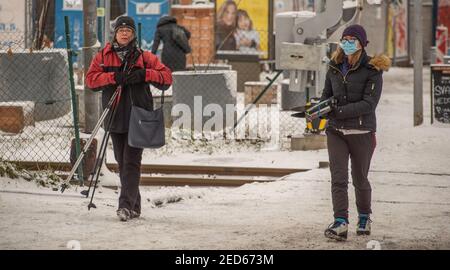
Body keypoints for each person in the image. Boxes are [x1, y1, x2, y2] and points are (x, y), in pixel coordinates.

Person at [86, 16, 172, 222]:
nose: (124, 33)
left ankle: (124, 206)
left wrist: (144, 74)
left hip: (138, 117)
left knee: (131, 162)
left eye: (129, 30)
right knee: (123, 164)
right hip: (115, 116)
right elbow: (91, 80)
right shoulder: (103, 56)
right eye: (121, 30)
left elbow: (167, 77)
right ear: (115, 33)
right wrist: (114, 78)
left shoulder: (144, 57)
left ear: (133, 35)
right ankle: (135, 206)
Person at [321, 24, 391, 241]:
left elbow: (369, 104)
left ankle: (364, 217)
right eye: (345, 38)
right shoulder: (334, 66)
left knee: (359, 178)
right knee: (338, 178)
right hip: (336, 132)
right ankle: (340, 222)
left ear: (362, 43)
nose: (348, 42)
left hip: (362, 131)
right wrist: (319, 109)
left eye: (352, 38)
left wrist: (338, 111)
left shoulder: (372, 70)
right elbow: (326, 95)